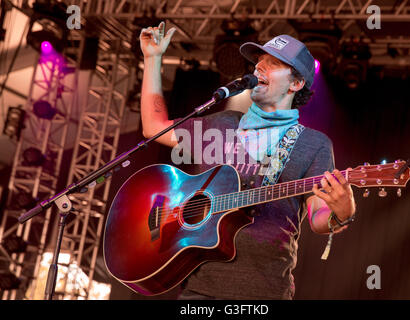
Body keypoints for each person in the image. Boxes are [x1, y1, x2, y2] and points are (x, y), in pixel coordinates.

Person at [139, 22, 356, 300]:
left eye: (273, 63)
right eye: (258, 62)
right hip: (198, 289)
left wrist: (342, 211)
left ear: (297, 82)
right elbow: (153, 127)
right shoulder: (222, 124)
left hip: (263, 291)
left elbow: (318, 218)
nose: (259, 68)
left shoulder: (313, 144)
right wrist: (153, 58)